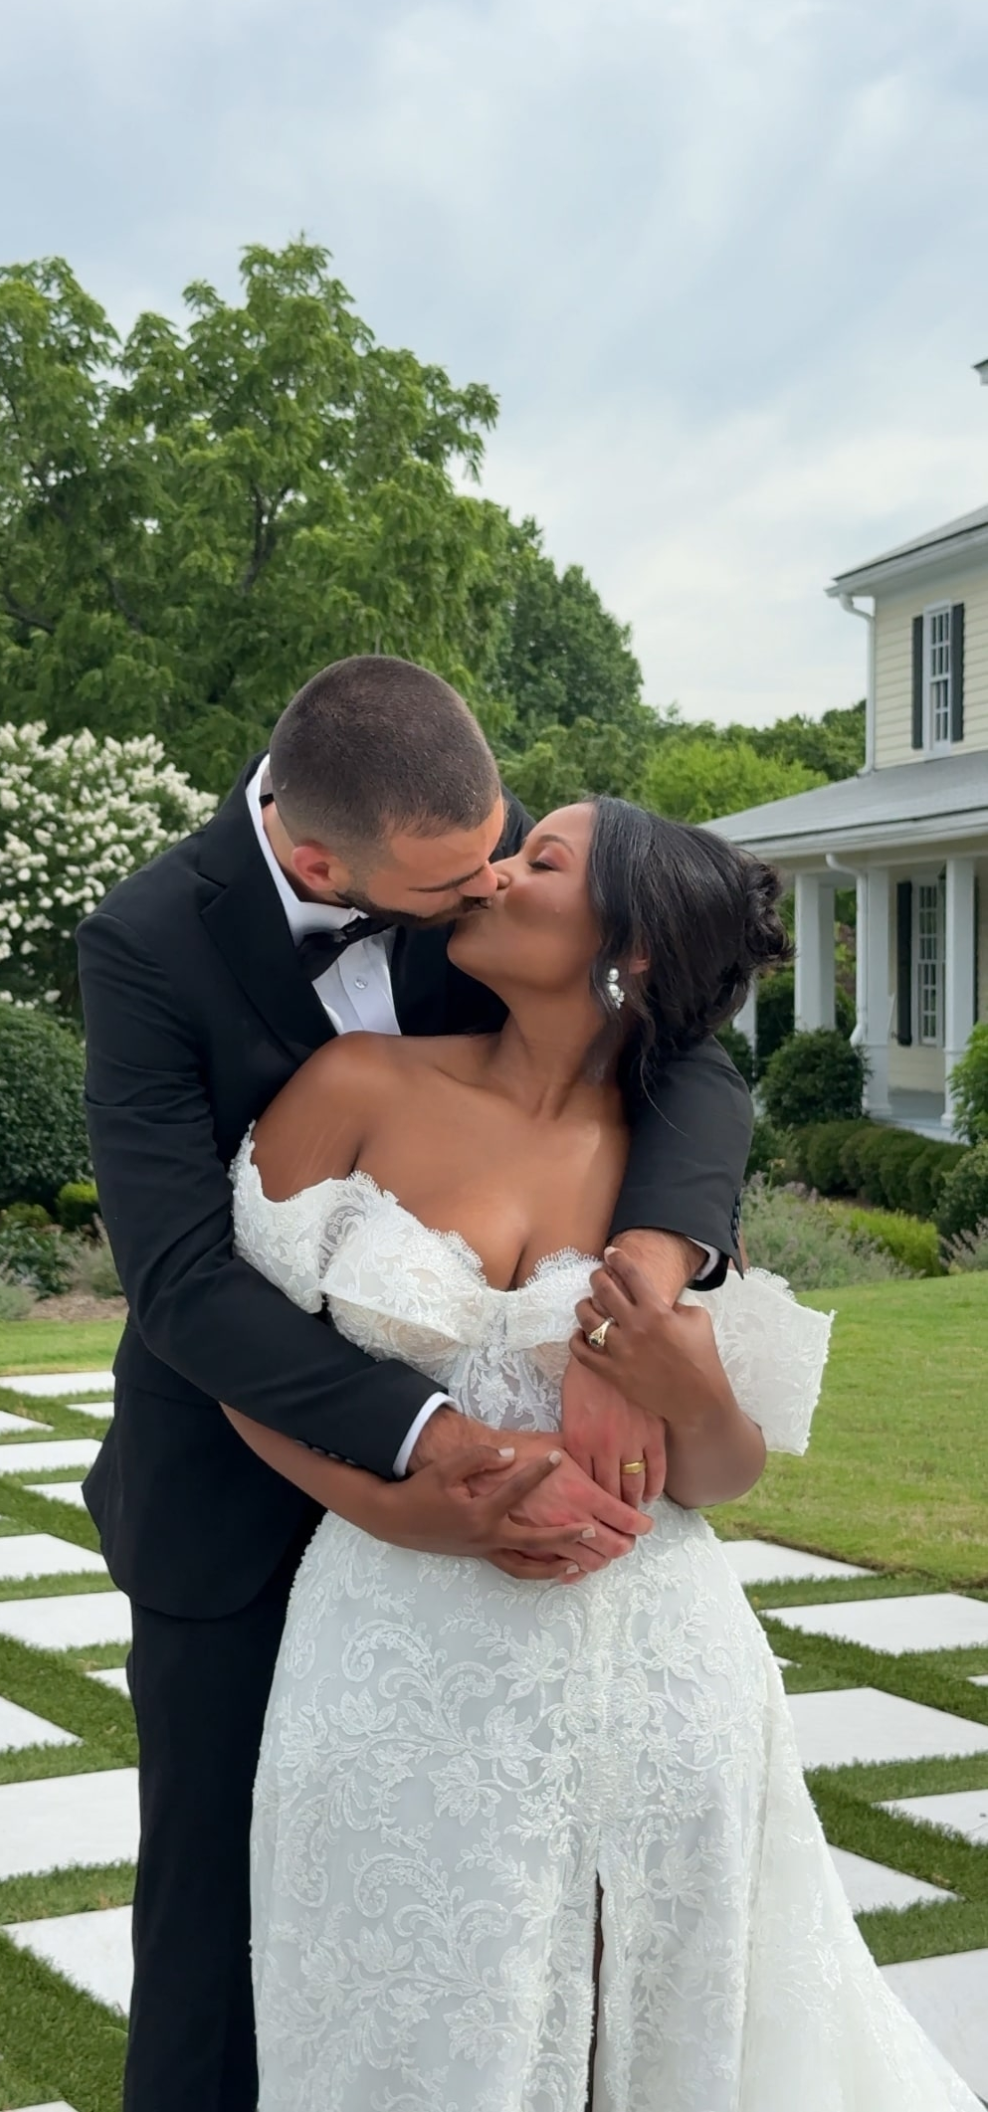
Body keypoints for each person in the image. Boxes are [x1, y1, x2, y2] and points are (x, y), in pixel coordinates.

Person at [225, 796, 978, 2112]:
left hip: (661, 1666)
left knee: (658, 2040)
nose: (494, 871)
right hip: (394, 1654)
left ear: (626, 949)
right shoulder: (359, 1086)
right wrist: (393, 1510)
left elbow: (718, 1477)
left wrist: (687, 1382)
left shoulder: (669, 1162)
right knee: (398, 2027)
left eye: (542, 860)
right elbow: (244, 1367)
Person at [76, 657, 752, 2112]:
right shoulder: (146, 940)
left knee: (503, 1938)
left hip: (540, 1578)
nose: (491, 883)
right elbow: (183, 1281)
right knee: (214, 1931)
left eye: (508, 850)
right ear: (328, 867)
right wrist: (419, 1454)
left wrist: (631, 1296)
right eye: (460, 882)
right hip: (229, 1493)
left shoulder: (468, 857)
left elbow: (684, 1046)